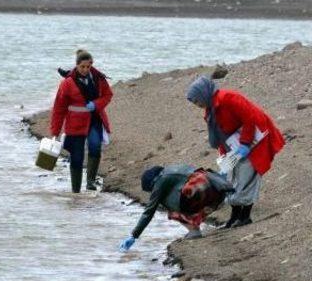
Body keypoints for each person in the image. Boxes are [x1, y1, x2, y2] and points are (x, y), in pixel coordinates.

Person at [186, 76, 285, 228]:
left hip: (254, 140)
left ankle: (245, 216)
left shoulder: (228, 98)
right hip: (234, 146)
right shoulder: (210, 111)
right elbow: (220, 135)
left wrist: (245, 143)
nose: (197, 104)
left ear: (204, 93)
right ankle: (234, 217)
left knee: (247, 178)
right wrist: (224, 156)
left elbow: (250, 118)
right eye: (195, 103)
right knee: (232, 180)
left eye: (197, 100)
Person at [119, 164, 234, 252]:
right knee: (183, 198)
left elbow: (149, 211)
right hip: (218, 192)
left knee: (169, 207)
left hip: (201, 190)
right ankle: (199, 222)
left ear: (152, 182)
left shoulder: (160, 181)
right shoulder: (173, 169)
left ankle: (194, 230)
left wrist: (134, 235)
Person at [50, 49, 113, 192]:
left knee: (95, 146)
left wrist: (96, 105)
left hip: (94, 119)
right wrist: (55, 131)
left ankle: (90, 182)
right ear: (76, 65)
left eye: (88, 67)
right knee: (77, 157)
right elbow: (59, 108)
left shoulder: (98, 78)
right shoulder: (67, 83)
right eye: (82, 67)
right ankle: (76, 191)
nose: (85, 69)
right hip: (75, 123)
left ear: (91, 65)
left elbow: (108, 95)